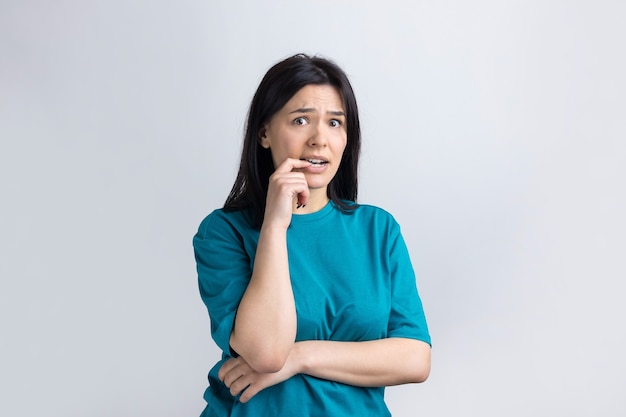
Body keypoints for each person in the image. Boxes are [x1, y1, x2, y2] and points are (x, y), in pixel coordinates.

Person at [193, 53, 431, 417]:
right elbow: (267, 352)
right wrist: (275, 225)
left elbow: (415, 358)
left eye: (335, 123)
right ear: (264, 133)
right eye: (301, 120)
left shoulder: (378, 230)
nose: (320, 139)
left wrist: (301, 357)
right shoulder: (224, 232)